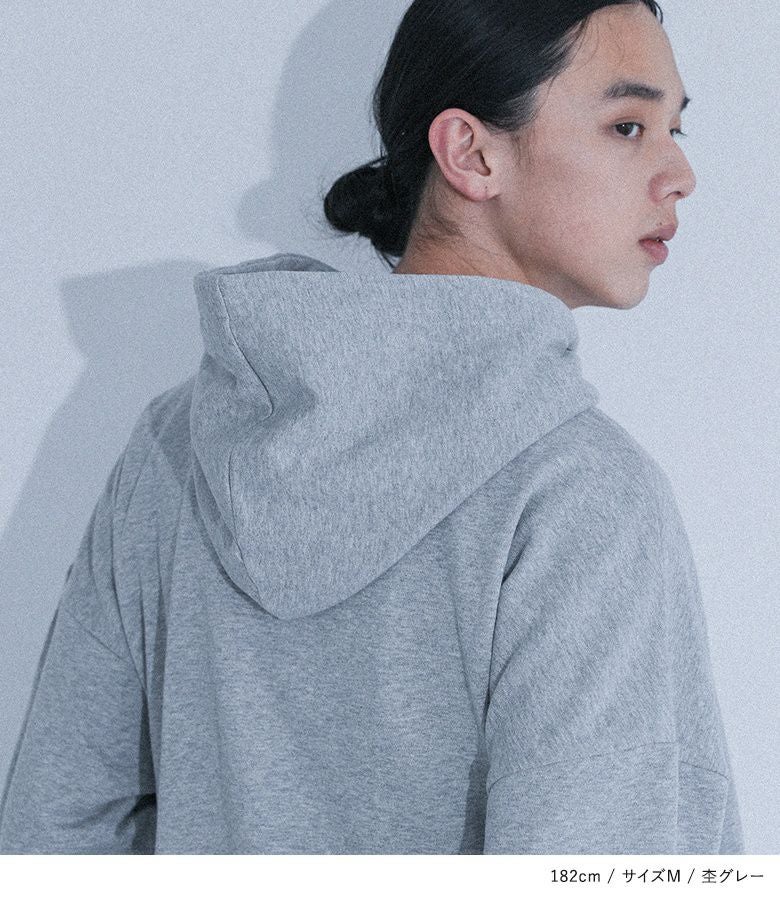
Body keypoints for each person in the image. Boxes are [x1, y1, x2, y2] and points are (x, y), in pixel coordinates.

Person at [0, 0, 743, 854]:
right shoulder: (581, 494)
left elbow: (53, 834)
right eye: (628, 127)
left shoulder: (181, 444)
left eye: (676, 128)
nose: (680, 173)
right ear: (471, 153)